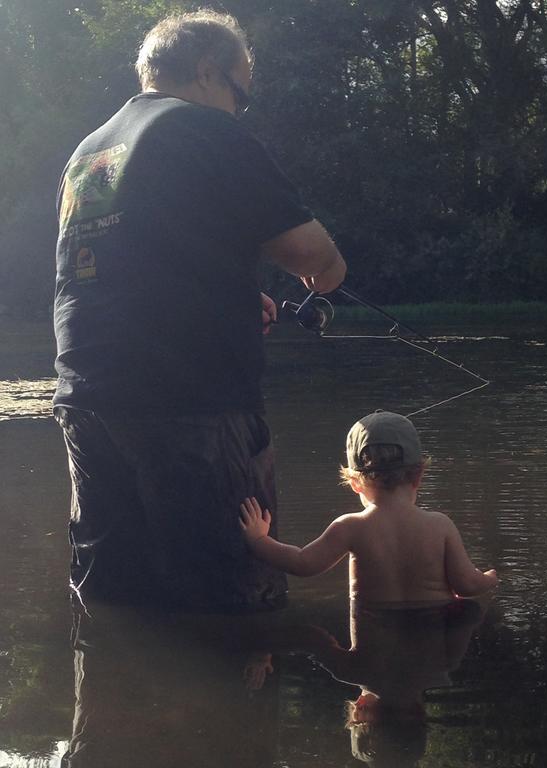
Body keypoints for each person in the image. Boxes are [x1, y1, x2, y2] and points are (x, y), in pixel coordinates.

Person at [53, 9, 346, 611]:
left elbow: (129, 262)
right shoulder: (207, 130)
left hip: (87, 399)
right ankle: (231, 693)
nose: (240, 109)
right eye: (241, 94)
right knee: (227, 588)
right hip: (190, 402)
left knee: (115, 599)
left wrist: (236, 293)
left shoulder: (91, 150)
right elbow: (315, 258)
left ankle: (112, 694)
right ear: (209, 73)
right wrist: (329, 275)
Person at [240, 410, 498, 605]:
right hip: (431, 640)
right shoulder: (440, 525)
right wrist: (489, 577)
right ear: (419, 475)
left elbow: (302, 563)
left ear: (354, 483)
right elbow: (466, 585)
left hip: (373, 640)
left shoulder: (351, 527)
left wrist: (258, 540)